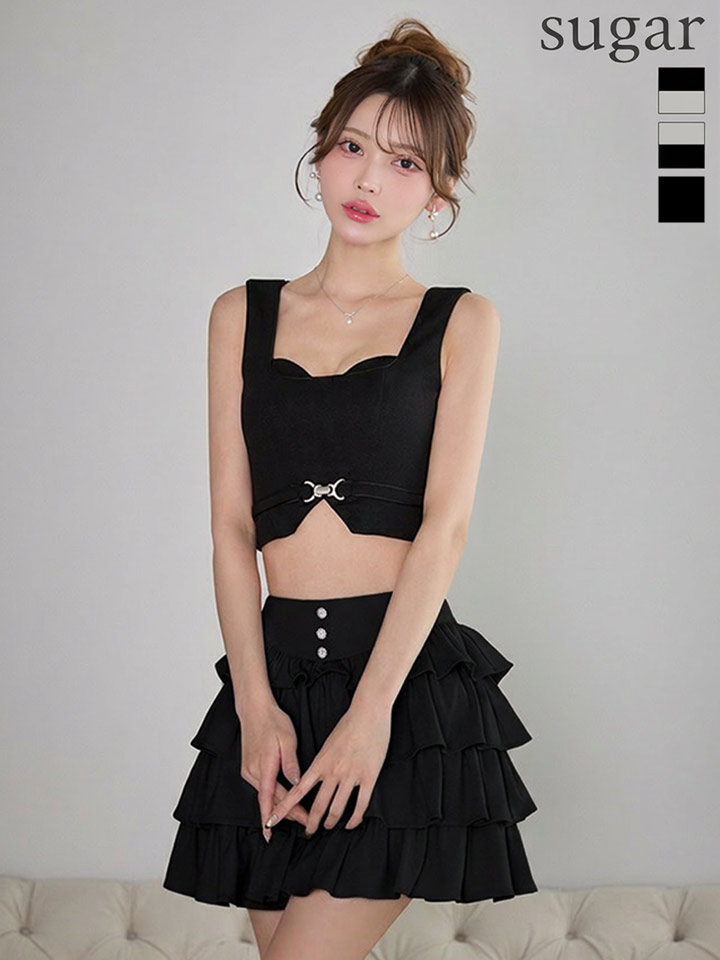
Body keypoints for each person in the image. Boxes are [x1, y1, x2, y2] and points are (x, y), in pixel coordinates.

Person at [162, 17, 538, 960]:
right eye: (353, 148)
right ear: (321, 152)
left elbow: (445, 528)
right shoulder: (239, 315)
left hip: (403, 692)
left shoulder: (462, 322)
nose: (370, 180)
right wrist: (254, 704)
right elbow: (229, 527)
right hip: (273, 688)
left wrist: (372, 718)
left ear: (439, 193)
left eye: (405, 164)